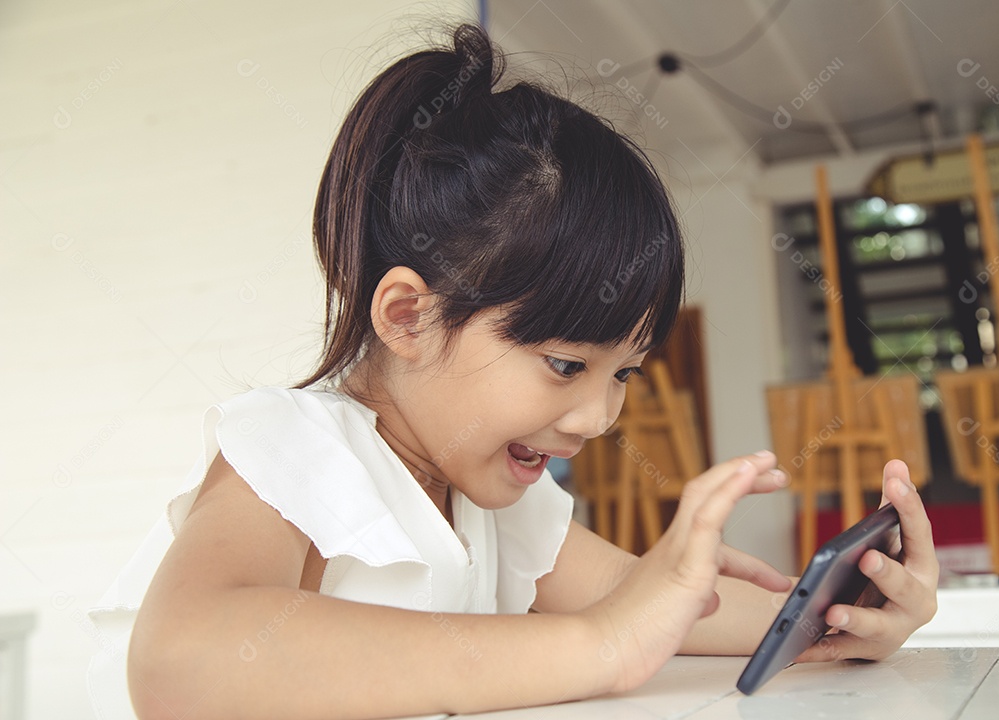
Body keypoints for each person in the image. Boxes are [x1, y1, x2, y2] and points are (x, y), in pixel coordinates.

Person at [87, 22, 938, 720]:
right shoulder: (301, 446)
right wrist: (599, 645)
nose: (599, 415)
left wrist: (842, 621)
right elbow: (182, 661)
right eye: (566, 362)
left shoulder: (498, 500)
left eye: (623, 373)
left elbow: (640, 599)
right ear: (408, 317)